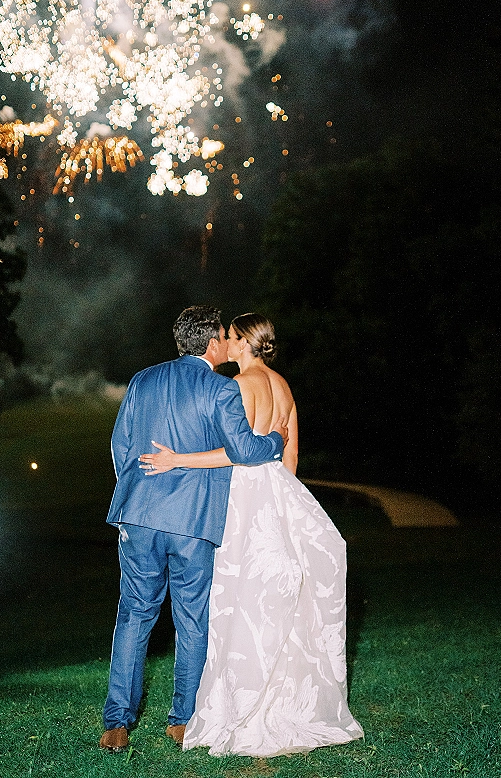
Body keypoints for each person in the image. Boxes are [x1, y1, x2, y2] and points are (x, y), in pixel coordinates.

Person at [139, 313, 364, 757]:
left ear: (243, 342)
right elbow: (291, 451)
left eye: (231, 338)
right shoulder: (283, 387)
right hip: (279, 493)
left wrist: (178, 459)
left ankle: (240, 707)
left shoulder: (239, 386)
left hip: (242, 497)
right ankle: (286, 700)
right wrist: (282, 506)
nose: (225, 344)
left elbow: (235, 453)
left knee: (236, 601)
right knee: (281, 604)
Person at [99, 306, 287, 753]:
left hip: (139, 516)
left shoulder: (143, 379)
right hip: (192, 522)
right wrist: (276, 440)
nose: (227, 343)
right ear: (211, 342)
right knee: (191, 618)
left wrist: (134, 492)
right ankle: (182, 720)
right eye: (224, 336)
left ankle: (116, 723)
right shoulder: (220, 390)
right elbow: (243, 449)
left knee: (134, 616)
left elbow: (120, 444)